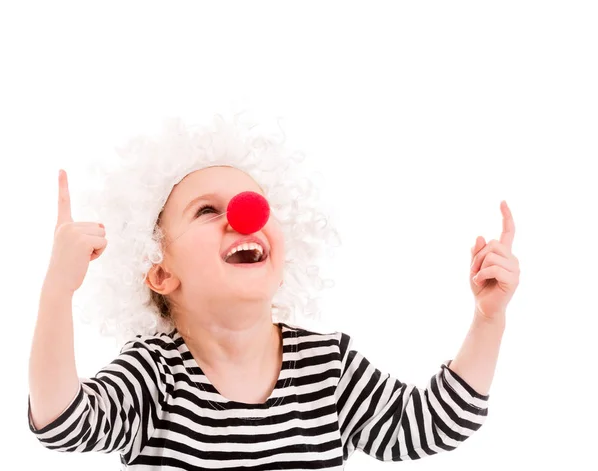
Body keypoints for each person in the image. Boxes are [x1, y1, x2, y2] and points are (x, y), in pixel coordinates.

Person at [27, 113, 519, 469]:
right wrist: (57, 290)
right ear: (160, 272)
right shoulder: (154, 376)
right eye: (206, 211)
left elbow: (433, 425)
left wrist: (488, 319)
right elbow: (62, 423)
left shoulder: (328, 368)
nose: (245, 218)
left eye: (254, 205)